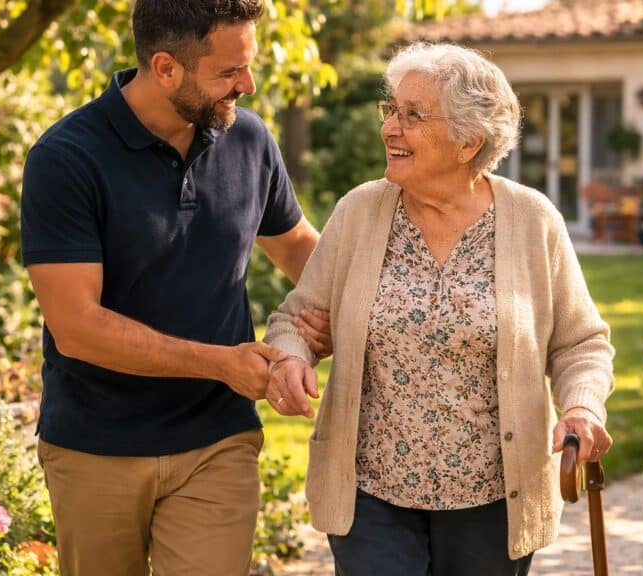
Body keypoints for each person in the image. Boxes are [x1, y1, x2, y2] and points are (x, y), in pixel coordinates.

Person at [263, 42, 616, 575]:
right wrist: (290, 357)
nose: (389, 129)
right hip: (371, 494)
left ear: (467, 141)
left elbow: (580, 342)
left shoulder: (531, 220)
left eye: (412, 116)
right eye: (391, 111)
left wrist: (582, 408)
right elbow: (297, 318)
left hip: (494, 498)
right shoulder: (360, 213)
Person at [20, 1, 330, 574]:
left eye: (248, 65)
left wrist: (368, 317)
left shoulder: (249, 140)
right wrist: (221, 363)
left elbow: (301, 253)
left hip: (217, 441)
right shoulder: (66, 159)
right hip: (95, 446)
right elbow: (77, 329)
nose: (249, 85)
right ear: (165, 68)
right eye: (229, 72)